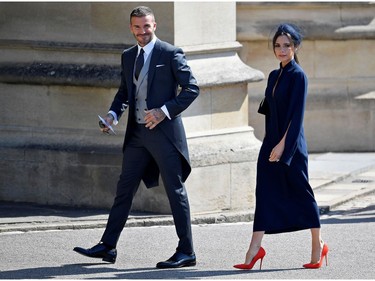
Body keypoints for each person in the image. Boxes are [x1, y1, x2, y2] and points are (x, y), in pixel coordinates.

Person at [73, 6, 199, 269]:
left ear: (155, 25)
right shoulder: (128, 56)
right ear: (131, 28)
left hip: (164, 135)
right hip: (137, 135)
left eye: (147, 26)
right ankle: (108, 246)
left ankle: (186, 251)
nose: (143, 32)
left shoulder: (170, 53)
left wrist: (164, 112)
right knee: (124, 189)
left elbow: (192, 88)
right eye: (137, 27)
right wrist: (112, 115)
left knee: (175, 190)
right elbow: (124, 94)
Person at [233, 23, 328, 270]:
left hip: (291, 145)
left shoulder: (299, 76)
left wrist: (283, 146)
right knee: (264, 191)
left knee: (302, 192)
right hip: (270, 143)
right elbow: (269, 111)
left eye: (287, 45)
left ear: (295, 47)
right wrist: (270, 143)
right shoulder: (274, 75)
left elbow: (296, 116)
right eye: (277, 45)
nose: (282, 50)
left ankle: (318, 245)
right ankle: (254, 249)